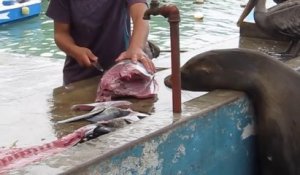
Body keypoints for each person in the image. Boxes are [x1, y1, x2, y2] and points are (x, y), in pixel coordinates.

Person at [46, 0, 159, 85]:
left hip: (122, 74)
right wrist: (75, 50)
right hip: (79, 78)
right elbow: (61, 34)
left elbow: (141, 15)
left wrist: (136, 48)